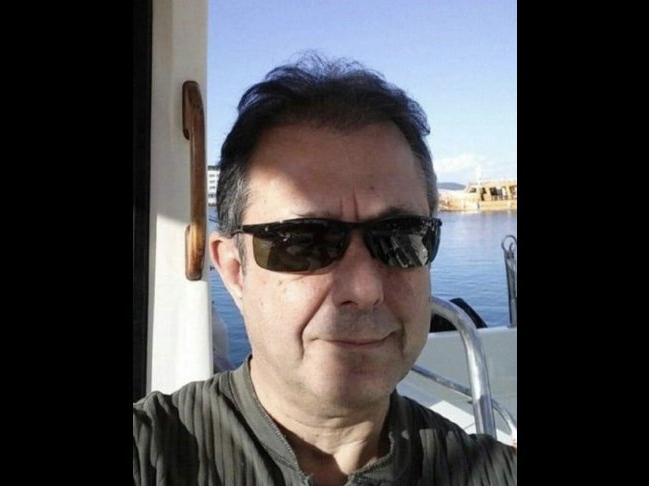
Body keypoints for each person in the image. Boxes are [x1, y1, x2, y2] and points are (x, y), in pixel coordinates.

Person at [133, 55, 517, 485]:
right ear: (235, 271)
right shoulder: (150, 454)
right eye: (304, 243)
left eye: (401, 237)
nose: (365, 288)